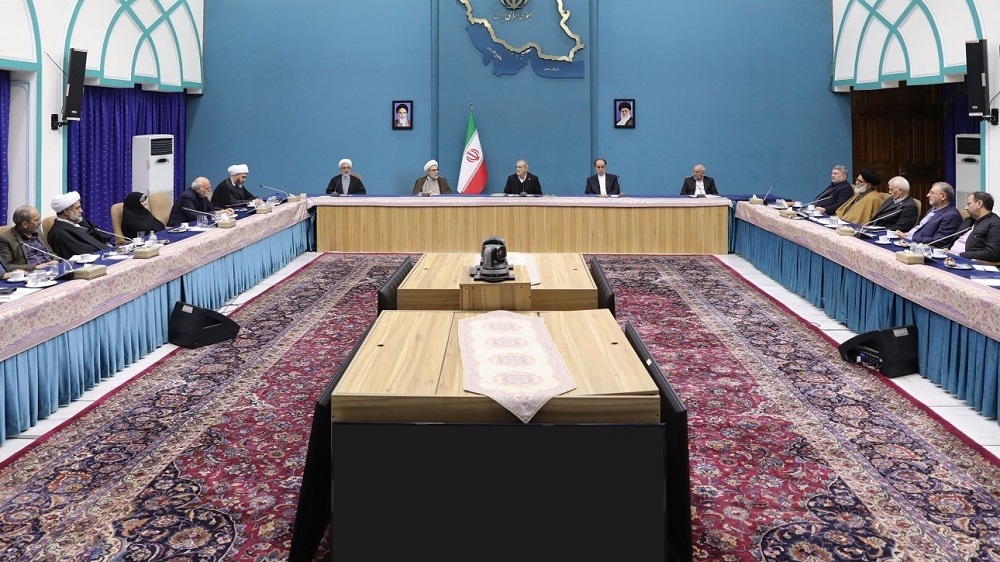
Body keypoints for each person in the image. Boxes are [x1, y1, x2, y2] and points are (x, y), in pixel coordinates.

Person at [46, 191, 113, 258]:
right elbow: (86, 252)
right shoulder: (60, 233)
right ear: (66, 212)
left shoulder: (79, 221)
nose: (81, 210)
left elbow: (100, 234)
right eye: (77, 208)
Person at [896, 181, 962, 247]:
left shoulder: (951, 216)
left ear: (943, 196)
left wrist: (910, 238)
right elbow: (920, 227)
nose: (927, 195)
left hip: (922, 247)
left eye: (932, 193)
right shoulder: (933, 209)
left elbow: (938, 241)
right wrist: (907, 234)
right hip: (909, 240)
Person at [0, 205, 60, 272]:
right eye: (36, 220)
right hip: (32, 273)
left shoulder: (38, 231)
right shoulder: (6, 239)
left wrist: (55, 260)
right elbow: (7, 266)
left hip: (51, 269)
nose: (40, 222)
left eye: (39, 218)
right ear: (25, 224)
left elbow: (51, 252)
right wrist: (35, 267)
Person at [945, 192, 1000, 262]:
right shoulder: (968, 220)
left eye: (969, 204)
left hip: (967, 262)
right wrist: (945, 250)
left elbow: (992, 253)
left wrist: (958, 255)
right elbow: (954, 240)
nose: (966, 208)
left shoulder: (995, 223)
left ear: (979, 204)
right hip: (950, 257)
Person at [168, 177, 233, 226]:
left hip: (195, 224)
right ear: (198, 189)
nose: (210, 190)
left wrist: (223, 210)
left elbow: (211, 208)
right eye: (207, 188)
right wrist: (216, 213)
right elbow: (193, 216)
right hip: (179, 227)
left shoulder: (202, 194)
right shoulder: (187, 197)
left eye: (209, 187)